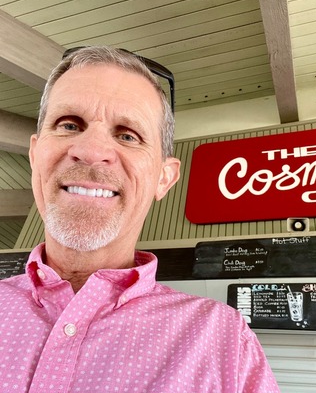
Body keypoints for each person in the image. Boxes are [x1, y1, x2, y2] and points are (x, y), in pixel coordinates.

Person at [0, 46, 279, 392]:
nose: (91, 151)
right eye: (69, 124)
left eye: (127, 135)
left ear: (164, 178)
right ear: (34, 154)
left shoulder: (224, 341)